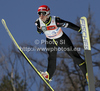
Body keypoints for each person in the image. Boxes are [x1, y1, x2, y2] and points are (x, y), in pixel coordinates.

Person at [35, 5, 87, 81]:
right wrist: (40, 31)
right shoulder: (38, 22)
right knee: (51, 58)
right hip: (50, 41)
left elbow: (68, 24)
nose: (41, 16)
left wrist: (80, 30)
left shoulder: (56, 21)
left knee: (73, 55)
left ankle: (86, 72)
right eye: (39, 13)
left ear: (48, 13)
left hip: (61, 39)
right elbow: (39, 31)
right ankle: (49, 75)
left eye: (43, 13)